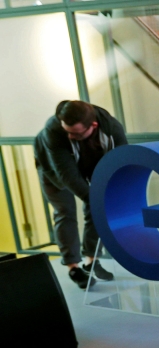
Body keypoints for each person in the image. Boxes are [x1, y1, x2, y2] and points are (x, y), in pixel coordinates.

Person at [34, 100, 127, 289]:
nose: (69, 136)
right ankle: (73, 267)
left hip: (91, 161)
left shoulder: (112, 129)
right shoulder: (53, 131)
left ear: (93, 126)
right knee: (65, 211)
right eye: (67, 131)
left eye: (75, 133)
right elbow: (67, 175)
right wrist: (95, 200)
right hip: (53, 169)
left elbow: (122, 160)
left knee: (95, 207)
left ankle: (91, 260)